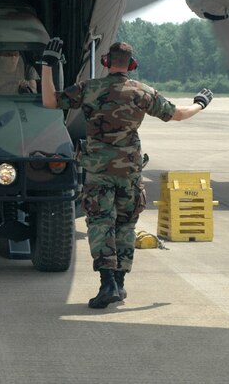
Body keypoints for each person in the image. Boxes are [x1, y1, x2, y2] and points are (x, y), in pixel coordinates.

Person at [41, 38, 212, 309]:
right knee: (125, 225)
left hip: (98, 171)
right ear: (132, 65)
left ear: (106, 62)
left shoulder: (89, 88)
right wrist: (200, 103)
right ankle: (119, 285)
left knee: (100, 223)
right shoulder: (143, 93)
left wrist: (47, 65)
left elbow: (50, 101)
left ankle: (107, 283)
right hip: (130, 171)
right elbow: (178, 114)